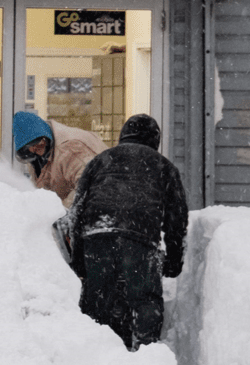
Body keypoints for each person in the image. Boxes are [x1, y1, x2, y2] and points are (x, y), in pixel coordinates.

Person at [66, 113, 189, 351]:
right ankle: (147, 356)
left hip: (97, 234)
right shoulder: (164, 166)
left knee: (97, 303)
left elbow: (77, 210)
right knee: (144, 301)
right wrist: (174, 261)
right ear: (155, 140)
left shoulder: (100, 160)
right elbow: (177, 219)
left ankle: (94, 357)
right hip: (139, 238)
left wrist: (79, 260)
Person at [12, 110, 106, 206]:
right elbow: (42, 187)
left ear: (46, 138)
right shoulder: (35, 155)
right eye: (30, 149)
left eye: (39, 145)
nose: (37, 151)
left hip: (105, 201)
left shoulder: (71, 149)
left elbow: (89, 185)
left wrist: (61, 212)